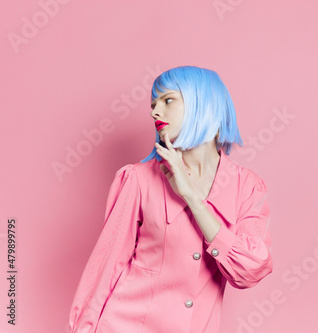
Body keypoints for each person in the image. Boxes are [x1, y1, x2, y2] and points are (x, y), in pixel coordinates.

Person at [68, 65, 273, 332]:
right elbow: (105, 267)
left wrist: (192, 198)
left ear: (203, 104)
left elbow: (250, 270)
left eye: (167, 100)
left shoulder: (247, 187)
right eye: (153, 103)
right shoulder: (139, 180)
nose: (154, 111)